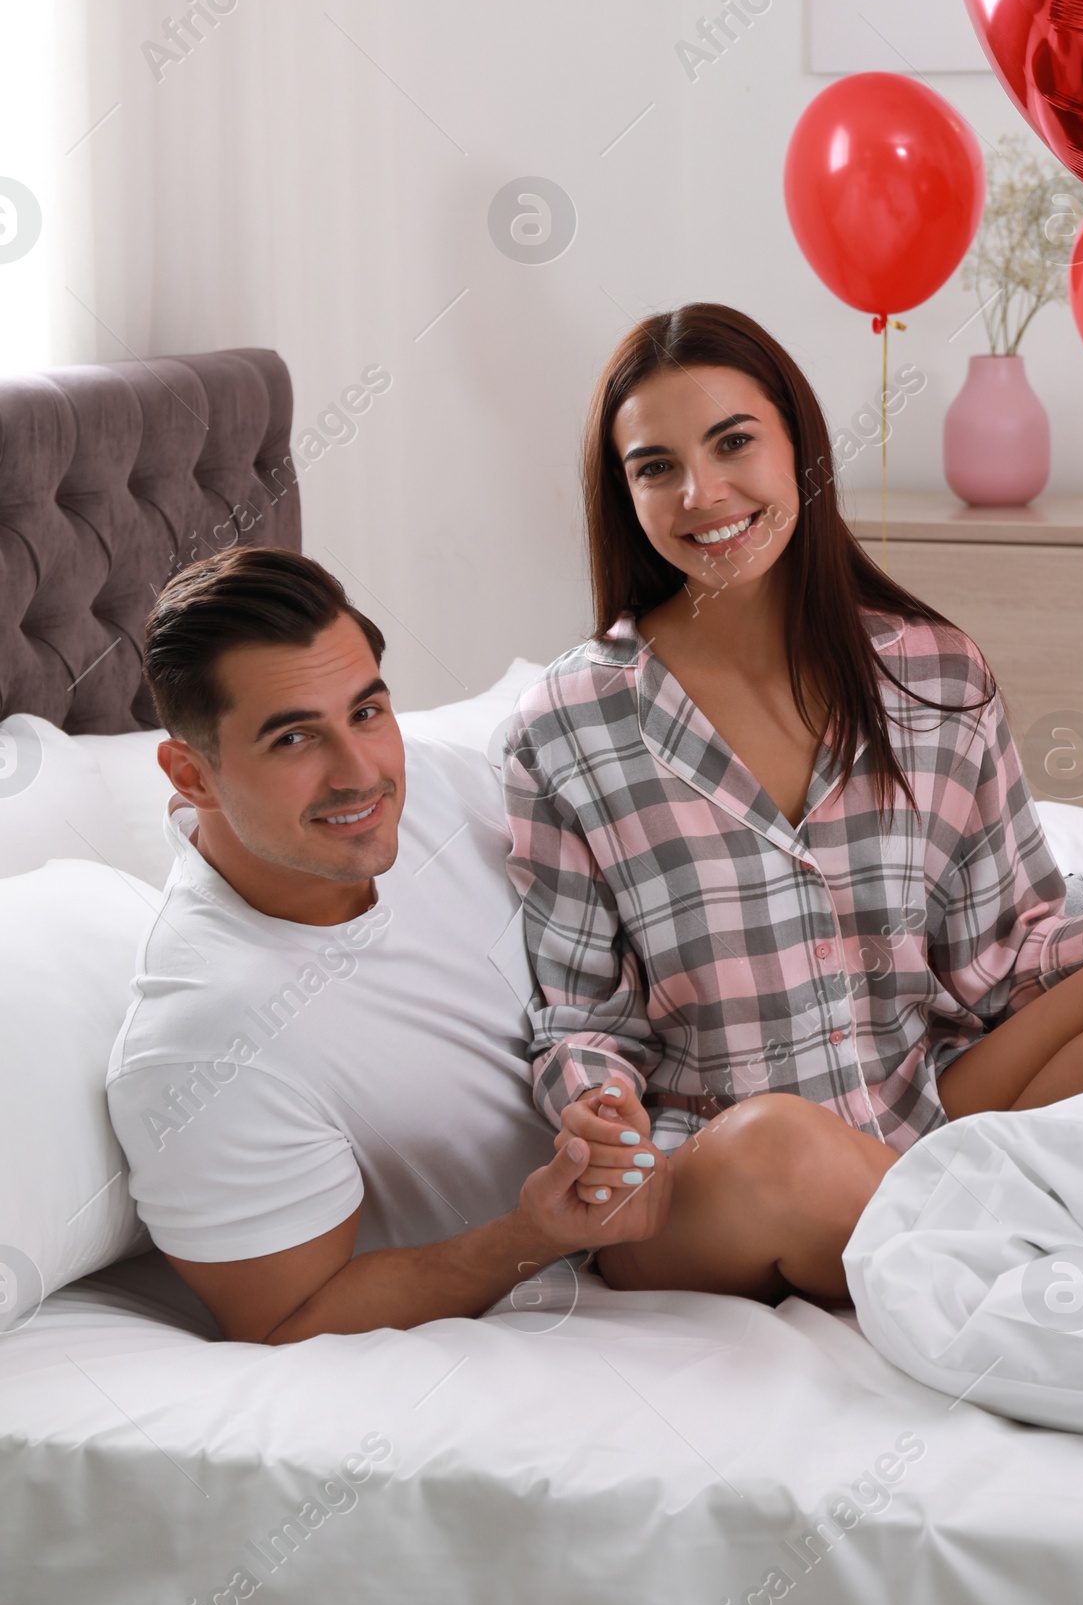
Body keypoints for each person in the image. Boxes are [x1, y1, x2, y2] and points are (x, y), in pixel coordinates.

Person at [507, 303, 1083, 1305]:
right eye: (655, 467)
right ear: (624, 493)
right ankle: (1028, 1270)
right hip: (719, 1167)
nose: (702, 492)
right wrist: (599, 1109)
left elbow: (1004, 950)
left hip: (927, 1113)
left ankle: (954, 1250)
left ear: (799, 450)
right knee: (781, 1149)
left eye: (734, 442)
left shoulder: (931, 677)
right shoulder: (567, 723)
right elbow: (580, 1022)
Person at [106, 547, 814, 1342]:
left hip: (737, 1101)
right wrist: (536, 1235)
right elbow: (289, 1316)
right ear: (191, 775)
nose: (359, 774)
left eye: (367, 713)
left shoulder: (447, 786)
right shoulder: (202, 1042)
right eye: (295, 741)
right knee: (780, 1153)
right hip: (633, 1245)